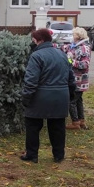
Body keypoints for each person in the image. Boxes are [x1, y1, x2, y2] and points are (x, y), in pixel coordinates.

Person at [21, 29, 76, 163]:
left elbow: (31, 80)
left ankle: (32, 155)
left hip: (40, 97)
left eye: (33, 39)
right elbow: (71, 78)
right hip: (60, 96)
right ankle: (58, 155)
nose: (32, 42)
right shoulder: (62, 54)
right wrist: (71, 94)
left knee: (33, 126)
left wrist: (26, 97)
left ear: (40, 40)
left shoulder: (36, 56)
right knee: (57, 127)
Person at [62, 27, 91, 130]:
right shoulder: (74, 46)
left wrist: (71, 61)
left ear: (78, 36)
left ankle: (75, 122)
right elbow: (64, 48)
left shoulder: (84, 48)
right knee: (78, 101)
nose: (72, 36)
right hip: (75, 79)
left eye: (73, 35)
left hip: (79, 80)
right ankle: (81, 121)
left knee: (71, 101)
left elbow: (85, 64)